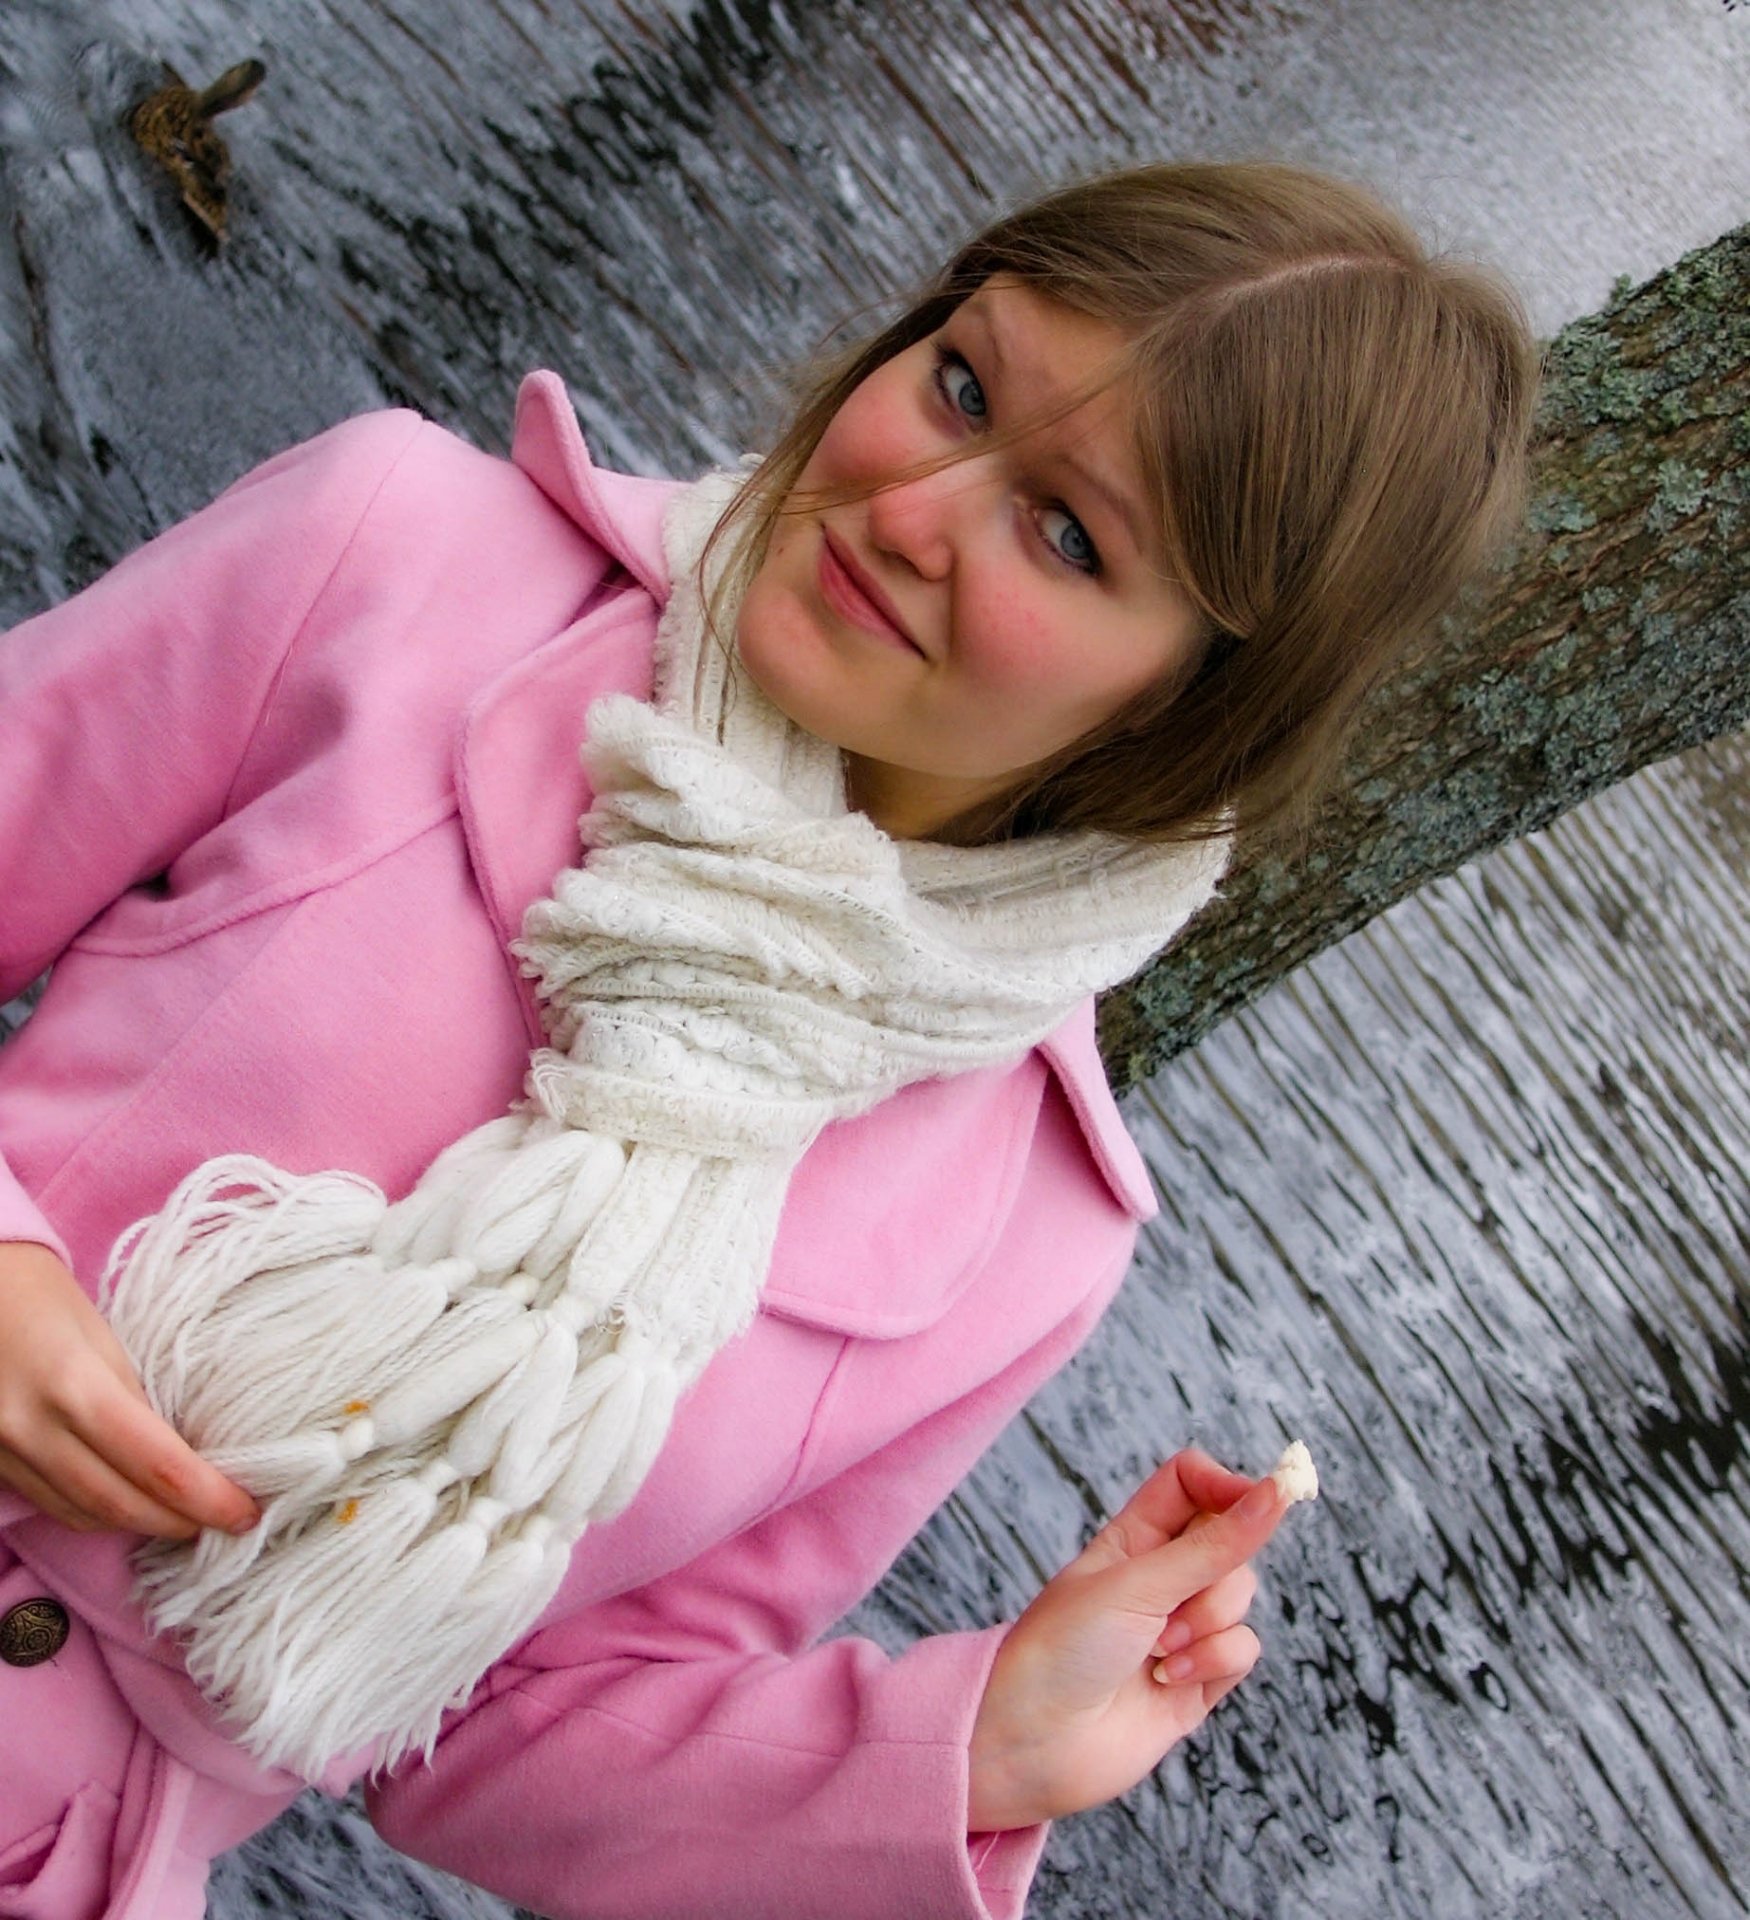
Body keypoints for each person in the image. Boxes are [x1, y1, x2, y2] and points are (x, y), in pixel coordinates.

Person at [0, 157, 1539, 1918]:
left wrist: (975, 1752)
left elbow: (479, 1739)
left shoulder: (1028, 1235)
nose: (911, 510)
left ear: (1193, 708)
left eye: (1067, 535)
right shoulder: (399, 558)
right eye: (959, 385)